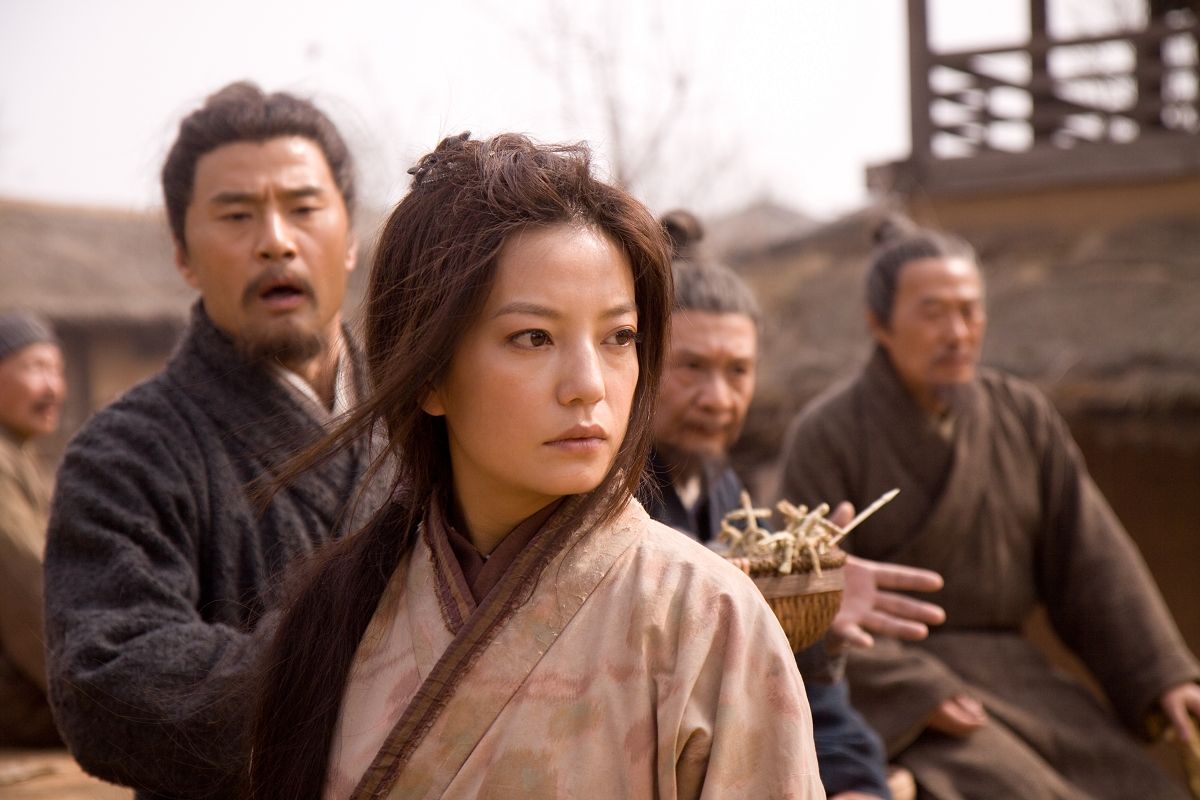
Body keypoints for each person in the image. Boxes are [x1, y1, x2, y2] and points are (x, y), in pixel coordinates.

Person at [246, 133, 824, 800]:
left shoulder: (706, 617)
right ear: (428, 373)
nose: (589, 385)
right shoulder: (340, 612)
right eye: (533, 337)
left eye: (619, 338)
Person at [778, 216, 1200, 799]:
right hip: (905, 690)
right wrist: (914, 693)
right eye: (933, 313)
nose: (958, 332)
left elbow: (1092, 561)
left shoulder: (1022, 417)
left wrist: (1162, 675)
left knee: (1140, 786)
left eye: (970, 311)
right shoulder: (827, 434)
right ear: (879, 323)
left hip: (1019, 677)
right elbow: (809, 601)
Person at [43, 82, 385, 799]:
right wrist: (376, 652)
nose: (275, 240)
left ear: (350, 238)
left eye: (304, 208)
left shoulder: (426, 416)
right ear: (183, 255)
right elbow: (105, 674)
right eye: (236, 215)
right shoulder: (127, 452)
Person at [643, 211, 944, 800]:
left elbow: (805, 691)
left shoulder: (727, 497)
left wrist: (856, 782)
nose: (718, 398)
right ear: (641, 362)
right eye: (692, 368)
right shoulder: (610, 500)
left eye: (738, 371)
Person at [0, 310, 66, 747]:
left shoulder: (18, 454)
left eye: (57, 371)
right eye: (36, 368)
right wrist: (90, 694)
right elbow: (30, 595)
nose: (53, 388)